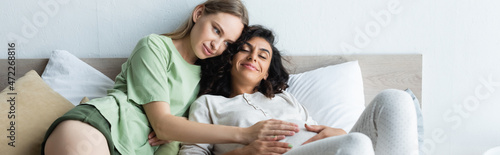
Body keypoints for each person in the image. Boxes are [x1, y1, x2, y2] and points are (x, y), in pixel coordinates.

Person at [42, 1, 299, 155]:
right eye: (216, 30)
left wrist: (178, 130)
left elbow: (173, 134)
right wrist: (244, 135)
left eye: (227, 42)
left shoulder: (205, 80)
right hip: (99, 128)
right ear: (199, 14)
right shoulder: (154, 46)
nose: (216, 44)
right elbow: (163, 124)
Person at [179, 25, 419, 155]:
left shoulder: (286, 99)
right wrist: (246, 153)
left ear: (265, 72)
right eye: (245, 49)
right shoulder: (208, 105)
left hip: (332, 149)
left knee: (393, 99)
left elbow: (319, 134)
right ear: (231, 59)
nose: (254, 57)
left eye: (263, 55)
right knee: (355, 145)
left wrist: (339, 132)